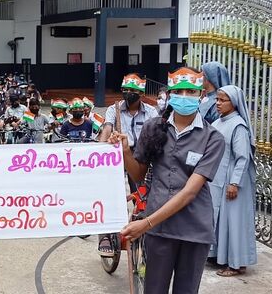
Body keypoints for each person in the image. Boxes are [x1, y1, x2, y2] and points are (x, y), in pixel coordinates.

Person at [108, 67, 225, 294]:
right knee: (154, 289)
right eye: (178, 91)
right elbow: (139, 175)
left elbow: (191, 192)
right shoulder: (154, 128)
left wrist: (146, 223)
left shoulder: (213, 138)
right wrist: (125, 152)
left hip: (194, 229)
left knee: (186, 290)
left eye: (190, 92)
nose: (184, 96)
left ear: (201, 95)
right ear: (170, 94)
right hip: (160, 230)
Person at [97, 74, 159, 256]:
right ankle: (106, 236)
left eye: (133, 91)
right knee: (111, 195)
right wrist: (101, 149)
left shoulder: (151, 112)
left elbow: (157, 134)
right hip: (117, 155)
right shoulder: (113, 109)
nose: (129, 94)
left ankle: (144, 229)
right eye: (126, 90)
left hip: (141, 157)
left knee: (143, 196)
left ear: (141, 93)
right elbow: (107, 127)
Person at [209, 85, 257, 277]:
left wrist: (234, 183)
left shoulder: (238, 126)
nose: (218, 103)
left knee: (234, 222)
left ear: (234, 103)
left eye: (222, 100)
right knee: (221, 220)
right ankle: (220, 257)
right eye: (217, 99)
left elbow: (242, 157)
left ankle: (237, 265)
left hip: (232, 181)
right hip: (218, 178)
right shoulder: (219, 122)